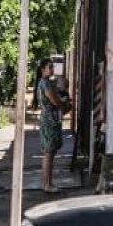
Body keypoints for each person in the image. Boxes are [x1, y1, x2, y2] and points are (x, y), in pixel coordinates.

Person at [35, 58, 69, 193]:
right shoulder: (45, 84)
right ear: (43, 69)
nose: (52, 69)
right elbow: (54, 100)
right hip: (49, 121)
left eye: (52, 67)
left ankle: (48, 183)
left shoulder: (45, 83)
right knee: (49, 153)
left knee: (50, 152)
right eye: (50, 67)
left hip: (49, 119)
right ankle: (47, 184)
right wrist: (64, 103)